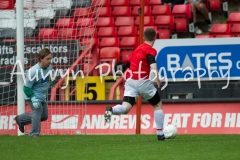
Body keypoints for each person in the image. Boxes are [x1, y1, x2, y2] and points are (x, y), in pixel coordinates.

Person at [104, 28, 168, 141]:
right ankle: (160, 134)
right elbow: (152, 61)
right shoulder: (150, 50)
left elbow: (128, 64)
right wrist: (156, 75)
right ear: (155, 38)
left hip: (130, 81)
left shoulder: (137, 49)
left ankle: (112, 110)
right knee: (157, 105)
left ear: (143, 37)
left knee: (126, 108)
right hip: (142, 81)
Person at [14, 48, 52, 137]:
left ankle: (21, 119)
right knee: (37, 111)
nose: (50, 61)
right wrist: (33, 98)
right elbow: (26, 88)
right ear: (41, 58)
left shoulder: (49, 67)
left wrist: (51, 81)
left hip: (42, 96)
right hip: (33, 95)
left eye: (50, 59)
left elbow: (46, 78)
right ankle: (33, 134)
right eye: (48, 59)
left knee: (44, 116)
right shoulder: (33, 71)